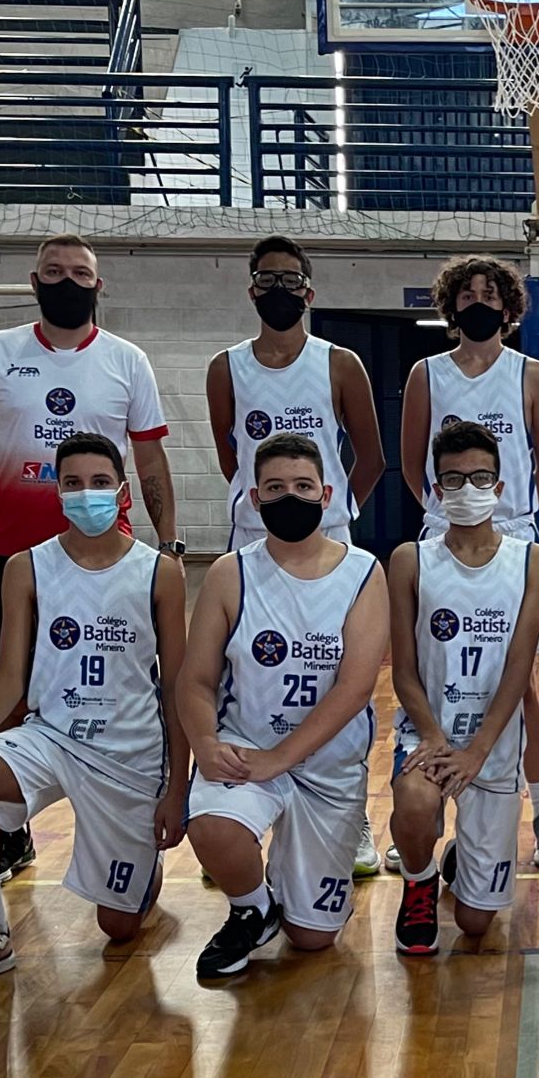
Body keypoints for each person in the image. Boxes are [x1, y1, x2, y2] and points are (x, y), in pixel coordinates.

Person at [0, 233, 179, 881]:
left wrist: (169, 541)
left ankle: (132, 795)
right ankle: (13, 831)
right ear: (34, 280)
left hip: (108, 563)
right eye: (54, 270)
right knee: (11, 690)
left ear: (99, 285)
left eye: (80, 272)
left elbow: (150, 460)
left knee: (122, 682)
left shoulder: (126, 360)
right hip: (17, 555)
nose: (67, 280)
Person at [0, 433, 188, 995]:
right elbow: (9, 679)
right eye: (73, 483)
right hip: (52, 736)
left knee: (119, 928)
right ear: (58, 492)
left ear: (122, 492)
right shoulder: (26, 567)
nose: (86, 493)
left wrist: (177, 791)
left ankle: (142, 869)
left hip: (129, 755)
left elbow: (176, 688)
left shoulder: (160, 572)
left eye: (99, 482)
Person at [205, 233, 386, 877]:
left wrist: (332, 513)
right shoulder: (225, 367)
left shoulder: (339, 363)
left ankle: (351, 813)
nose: (277, 288)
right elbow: (231, 458)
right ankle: (239, 805)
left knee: (336, 671)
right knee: (242, 675)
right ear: (250, 287)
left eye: (289, 279)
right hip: (253, 539)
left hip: (326, 537)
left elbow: (371, 455)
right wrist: (266, 507)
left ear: (308, 292)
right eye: (267, 278)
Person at [179, 433, 388, 979]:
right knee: (213, 827)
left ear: (326, 495)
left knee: (313, 939)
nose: (289, 497)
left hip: (327, 765)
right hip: (247, 746)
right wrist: (205, 743)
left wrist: (282, 758)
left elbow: (355, 688)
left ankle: (288, 887)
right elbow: (195, 680)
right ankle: (252, 909)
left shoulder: (363, 572)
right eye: (274, 488)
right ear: (254, 499)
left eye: (302, 486)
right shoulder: (230, 573)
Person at [397, 254, 539, 871]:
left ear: (508, 308)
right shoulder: (426, 373)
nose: (479, 303)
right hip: (445, 534)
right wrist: (454, 513)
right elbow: (412, 464)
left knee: (520, 686)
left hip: (510, 534)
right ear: (451, 305)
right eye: (467, 294)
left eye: (490, 294)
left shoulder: (533, 374)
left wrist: (502, 512)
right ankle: (419, 806)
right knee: (433, 673)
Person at [388, 420, 539, 955]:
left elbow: (518, 670)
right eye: (453, 479)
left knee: (477, 923)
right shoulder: (410, 560)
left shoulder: (530, 560)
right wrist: (435, 738)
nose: (467, 489)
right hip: (429, 735)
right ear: (437, 491)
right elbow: (403, 670)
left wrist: (478, 750)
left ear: (499, 487)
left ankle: (464, 859)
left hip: (494, 745)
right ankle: (419, 880)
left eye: (480, 478)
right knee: (415, 800)